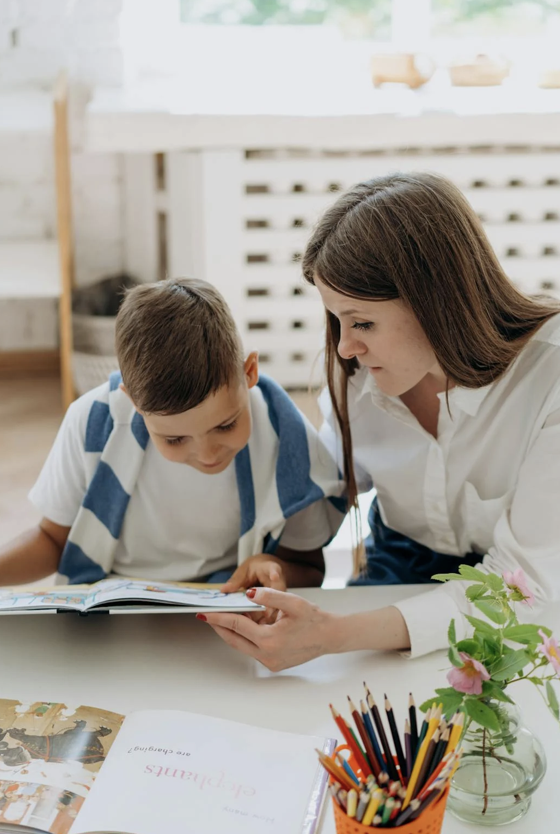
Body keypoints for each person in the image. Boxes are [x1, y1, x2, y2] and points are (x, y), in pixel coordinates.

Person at [199, 171, 560, 668]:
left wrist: (333, 634)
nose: (346, 346)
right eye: (337, 321)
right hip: (400, 563)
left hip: (520, 585)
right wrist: (276, 562)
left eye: (363, 321)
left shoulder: (550, 377)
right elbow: (327, 490)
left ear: (439, 302)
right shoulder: (358, 379)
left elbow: (524, 589)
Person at [0, 278, 343, 589]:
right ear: (132, 401)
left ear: (249, 372)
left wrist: (272, 567)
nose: (208, 454)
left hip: (225, 604)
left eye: (225, 425)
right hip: (111, 601)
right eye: (175, 439)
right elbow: (52, 540)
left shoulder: (285, 436)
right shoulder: (91, 422)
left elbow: (309, 567)